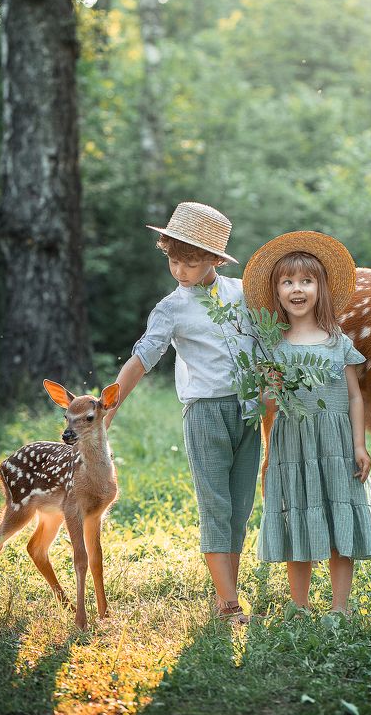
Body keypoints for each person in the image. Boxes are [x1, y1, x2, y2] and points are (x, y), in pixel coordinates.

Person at [107, 202, 260, 624]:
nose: (180, 271)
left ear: (214, 259)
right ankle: (228, 601)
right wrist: (110, 406)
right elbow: (142, 358)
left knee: (240, 506)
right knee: (214, 503)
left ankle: (229, 585)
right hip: (205, 412)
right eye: (173, 260)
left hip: (247, 409)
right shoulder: (172, 307)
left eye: (190, 262)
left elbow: (268, 341)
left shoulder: (243, 293)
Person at [242, 231, 371, 615]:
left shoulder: (337, 341)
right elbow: (268, 405)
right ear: (276, 291)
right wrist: (268, 391)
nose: (297, 289)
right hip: (292, 443)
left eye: (306, 281)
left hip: (336, 442)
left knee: (340, 517)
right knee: (297, 517)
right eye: (287, 282)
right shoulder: (274, 345)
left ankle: (340, 607)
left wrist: (359, 445)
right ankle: (299, 605)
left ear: (321, 288)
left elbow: (355, 396)